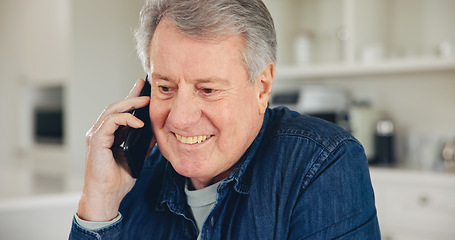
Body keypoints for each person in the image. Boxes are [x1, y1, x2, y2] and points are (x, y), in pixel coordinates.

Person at [69, 0, 381, 239]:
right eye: (165, 87)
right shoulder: (131, 175)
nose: (180, 118)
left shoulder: (322, 163)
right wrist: (100, 201)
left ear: (262, 88)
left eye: (207, 89)